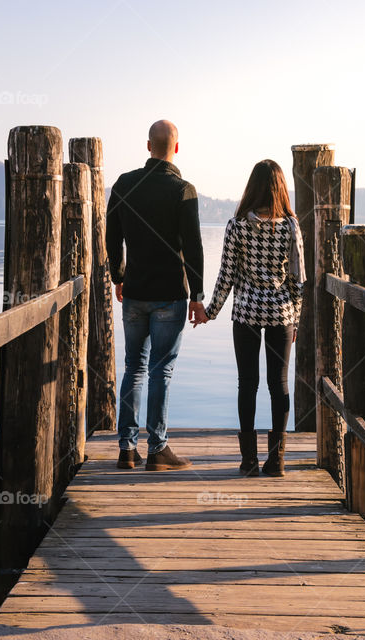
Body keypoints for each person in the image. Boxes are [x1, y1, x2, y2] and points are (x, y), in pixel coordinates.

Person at [106, 120, 206, 471]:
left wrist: (118, 275)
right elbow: (193, 247)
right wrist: (197, 295)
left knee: (134, 367)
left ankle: (126, 449)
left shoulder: (123, 184)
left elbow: (111, 235)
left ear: (149, 146)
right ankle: (158, 450)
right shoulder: (183, 190)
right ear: (176, 148)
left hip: (134, 292)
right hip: (170, 295)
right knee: (160, 371)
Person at [198, 159, 305, 477]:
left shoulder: (236, 225)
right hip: (280, 313)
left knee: (247, 384)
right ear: (281, 188)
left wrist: (209, 311)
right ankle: (277, 461)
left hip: (245, 312)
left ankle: (248, 461)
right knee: (279, 385)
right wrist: (295, 317)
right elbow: (298, 279)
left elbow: (226, 276)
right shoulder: (290, 226)